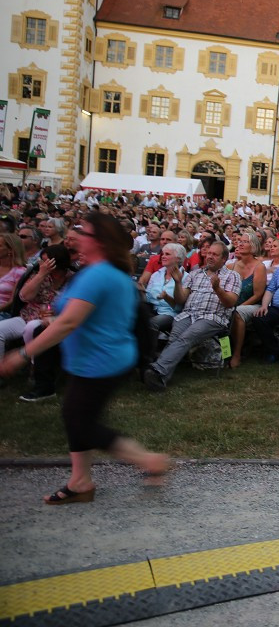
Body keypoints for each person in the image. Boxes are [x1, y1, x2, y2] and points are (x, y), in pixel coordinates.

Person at [0, 213, 169, 504]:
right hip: (93, 357)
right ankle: (80, 481)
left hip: (103, 360)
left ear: (100, 242)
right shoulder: (97, 272)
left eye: (85, 232)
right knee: (76, 416)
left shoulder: (100, 274)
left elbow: (69, 323)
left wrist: (23, 354)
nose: (77, 235)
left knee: (82, 422)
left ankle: (150, 460)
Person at [143, 241, 241, 390]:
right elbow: (181, 300)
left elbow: (230, 303)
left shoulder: (232, 276)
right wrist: (177, 283)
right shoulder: (195, 274)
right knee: (174, 337)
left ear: (224, 259)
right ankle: (159, 377)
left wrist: (217, 289)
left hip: (212, 317)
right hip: (188, 314)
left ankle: (157, 369)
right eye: (209, 253)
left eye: (215, 254)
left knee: (186, 337)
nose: (210, 256)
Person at [226, 232, 268, 369]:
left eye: (245, 242)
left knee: (237, 313)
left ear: (254, 246)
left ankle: (237, 354)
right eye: (240, 241)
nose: (241, 244)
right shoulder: (231, 266)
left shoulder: (259, 267)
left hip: (252, 304)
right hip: (231, 302)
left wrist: (239, 306)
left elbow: (257, 295)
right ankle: (223, 351)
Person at [143, 242, 186, 334]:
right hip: (151, 309)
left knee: (150, 324)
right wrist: (141, 292)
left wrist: (166, 297)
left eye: (167, 254)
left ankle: (148, 348)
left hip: (169, 313)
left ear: (178, 259)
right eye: (162, 254)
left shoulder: (186, 277)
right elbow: (148, 297)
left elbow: (179, 307)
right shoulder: (156, 274)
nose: (163, 256)